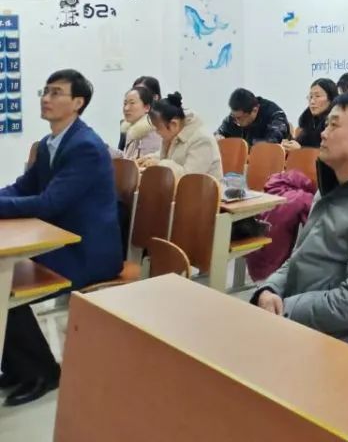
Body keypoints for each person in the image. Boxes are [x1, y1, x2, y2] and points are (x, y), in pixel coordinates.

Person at [253, 92, 348, 352]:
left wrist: (284, 308)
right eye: (326, 125)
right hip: (297, 325)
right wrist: (269, 291)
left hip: (339, 346)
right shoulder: (331, 187)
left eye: (334, 125)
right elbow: (299, 258)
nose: (323, 134)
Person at [0, 70, 121, 406]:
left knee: (4, 286)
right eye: (45, 91)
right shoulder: (49, 143)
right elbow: (22, 188)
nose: (46, 98)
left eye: (56, 93)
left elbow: (48, 203)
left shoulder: (85, 147)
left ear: (78, 103)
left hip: (87, 252)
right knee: (3, 278)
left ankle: (43, 372)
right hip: (61, 243)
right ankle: (19, 368)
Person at [139, 93, 224, 180]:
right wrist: (148, 159)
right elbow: (166, 157)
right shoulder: (174, 133)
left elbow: (188, 178)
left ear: (173, 124)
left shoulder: (202, 140)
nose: (156, 132)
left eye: (158, 128)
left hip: (200, 188)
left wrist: (159, 164)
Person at [216, 88, 290, 144]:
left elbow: (272, 142)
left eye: (239, 118)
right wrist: (218, 137)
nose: (236, 122)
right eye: (234, 117)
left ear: (255, 110)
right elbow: (219, 133)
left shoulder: (275, 114)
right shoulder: (234, 117)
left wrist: (245, 143)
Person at [284, 78, 337, 150]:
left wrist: (300, 150)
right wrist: (289, 143)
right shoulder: (309, 122)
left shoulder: (334, 124)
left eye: (317, 96)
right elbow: (302, 144)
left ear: (330, 99)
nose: (312, 101)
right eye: (311, 97)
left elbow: (331, 153)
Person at [117, 85, 162, 160]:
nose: (126, 108)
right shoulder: (132, 129)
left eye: (132, 103)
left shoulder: (151, 132)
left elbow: (145, 163)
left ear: (147, 107)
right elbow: (127, 157)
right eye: (125, 103)